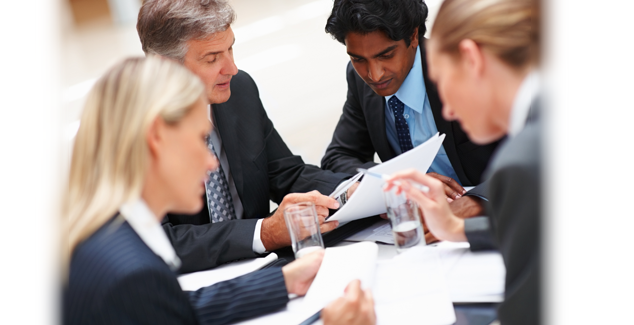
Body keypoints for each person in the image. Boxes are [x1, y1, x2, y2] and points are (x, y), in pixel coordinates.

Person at [62, 56, 375, 325]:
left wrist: (282, 282)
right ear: (156, 137)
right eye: (200, 140)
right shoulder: (132, 276)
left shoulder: (104, 239)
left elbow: (177, 309)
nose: (213, 163)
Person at [136, 0, 355, 273]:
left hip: (268, 268)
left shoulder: (238, 90)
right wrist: (263, 233)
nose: (232, 68)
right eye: (213, 58)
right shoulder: (132, 130)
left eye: (230, 48)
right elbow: (156, 242)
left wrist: (353, 190)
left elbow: (286, 174)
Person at [384, 0, 540, 323]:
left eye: (441, 80)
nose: (448, 112)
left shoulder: (523, 161)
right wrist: (457, 228)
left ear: (471, 59)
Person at [321, 0, 502, 244]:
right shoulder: (358, 80)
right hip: (417, 233)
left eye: (386, 55)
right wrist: (396, 181)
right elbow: (337, 157)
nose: (374, 75)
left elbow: (535, 145)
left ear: (413, 36)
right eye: (358, 59)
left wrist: (476, 202)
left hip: (492, 224)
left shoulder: (464, 65)